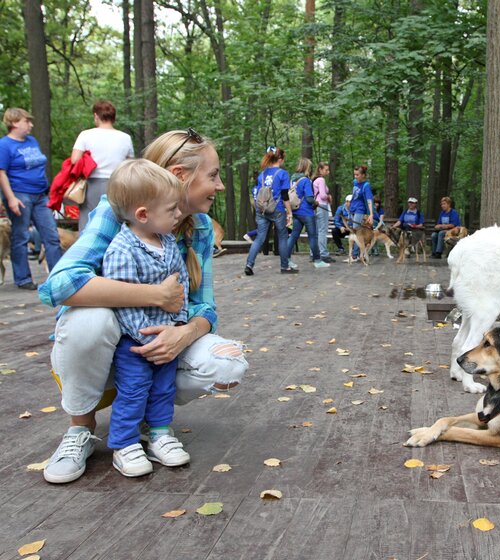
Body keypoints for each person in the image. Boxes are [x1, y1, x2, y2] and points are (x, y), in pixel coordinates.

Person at [38, 129, 248, 484]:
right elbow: (57, 286)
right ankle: (80, 429)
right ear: (181, 176)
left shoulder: (197, 227)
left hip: (158, 344)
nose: (221, 186)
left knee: (227, 362)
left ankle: (155, 423)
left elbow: (206, 308)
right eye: (213, 175)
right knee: (89, 321)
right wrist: (155, 297)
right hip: (106, 348)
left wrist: (182, 334)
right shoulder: (117, 212)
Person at [102, 159, 190, 476]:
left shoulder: (168, 243)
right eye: (172, 210)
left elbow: (182, 285)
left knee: (164, 387)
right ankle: (124, 443)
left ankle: (160, 433)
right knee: (135, 388)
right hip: (136, 344)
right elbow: (123, 300)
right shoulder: (123, 248)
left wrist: (178, 324)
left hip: (166, 336)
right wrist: (145, 337)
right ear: (143, 214)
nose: (179, 214)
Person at [0, 108, 63, 290]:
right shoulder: (4, 145)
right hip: (20, 195)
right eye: (26, 121)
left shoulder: (32, 141)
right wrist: (11, 198)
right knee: (20, 236)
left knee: (51, 235)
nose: (31, 124)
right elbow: (1, 173)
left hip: (40, 195)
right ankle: (23, 278)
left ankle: (58, 275)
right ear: (14, 123)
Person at [70, 100, 135, 230]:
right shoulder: (125, 137)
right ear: (113, 117)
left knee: (88, 219)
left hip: (91, 184)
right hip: (117, 184)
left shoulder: (86, 135)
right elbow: (130, 164)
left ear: (96, 116)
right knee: (115, 220)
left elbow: (74, 160)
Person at [244, 146, 292, 276]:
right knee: (282, 237)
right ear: (280, 159)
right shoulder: (283, 174)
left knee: (260, 237)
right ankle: (284, 266)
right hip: (277, 209)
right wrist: (290, 213)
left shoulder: (262, 174)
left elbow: (257, 192)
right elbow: (284, 195)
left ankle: (249, 264)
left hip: (262, 210)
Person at [282, 157, 330, 272]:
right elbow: (309, 198)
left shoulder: (292, 179)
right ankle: (317, 260)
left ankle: (286, 259)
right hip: (306, 212)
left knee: (293, 236)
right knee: (313, 236)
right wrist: (316, 202)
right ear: (306, 167)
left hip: (296, 211)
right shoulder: (305, 180)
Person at [347, 165, 374, 262]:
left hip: (360, 209)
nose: (355, 177)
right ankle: (356, 254)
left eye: (357, 175)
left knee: (356, 231)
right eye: (354, 175)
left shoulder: (366, 186)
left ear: (363, 175)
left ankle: (355, 255)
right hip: (352, 209)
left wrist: (371, 214)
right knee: (352, 230)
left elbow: (369, 200)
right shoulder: (354, 182)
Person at [312, 162, 334, 263]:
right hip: (322, 206)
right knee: (322, 230)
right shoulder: (321, 180)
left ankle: (313, 253)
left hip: (316, 207)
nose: (328, 172)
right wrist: (328, 196)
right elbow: (322, 195)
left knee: (316, 231)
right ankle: (323, 254)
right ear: (320, 170)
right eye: (326, 170)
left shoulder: (315, 180)